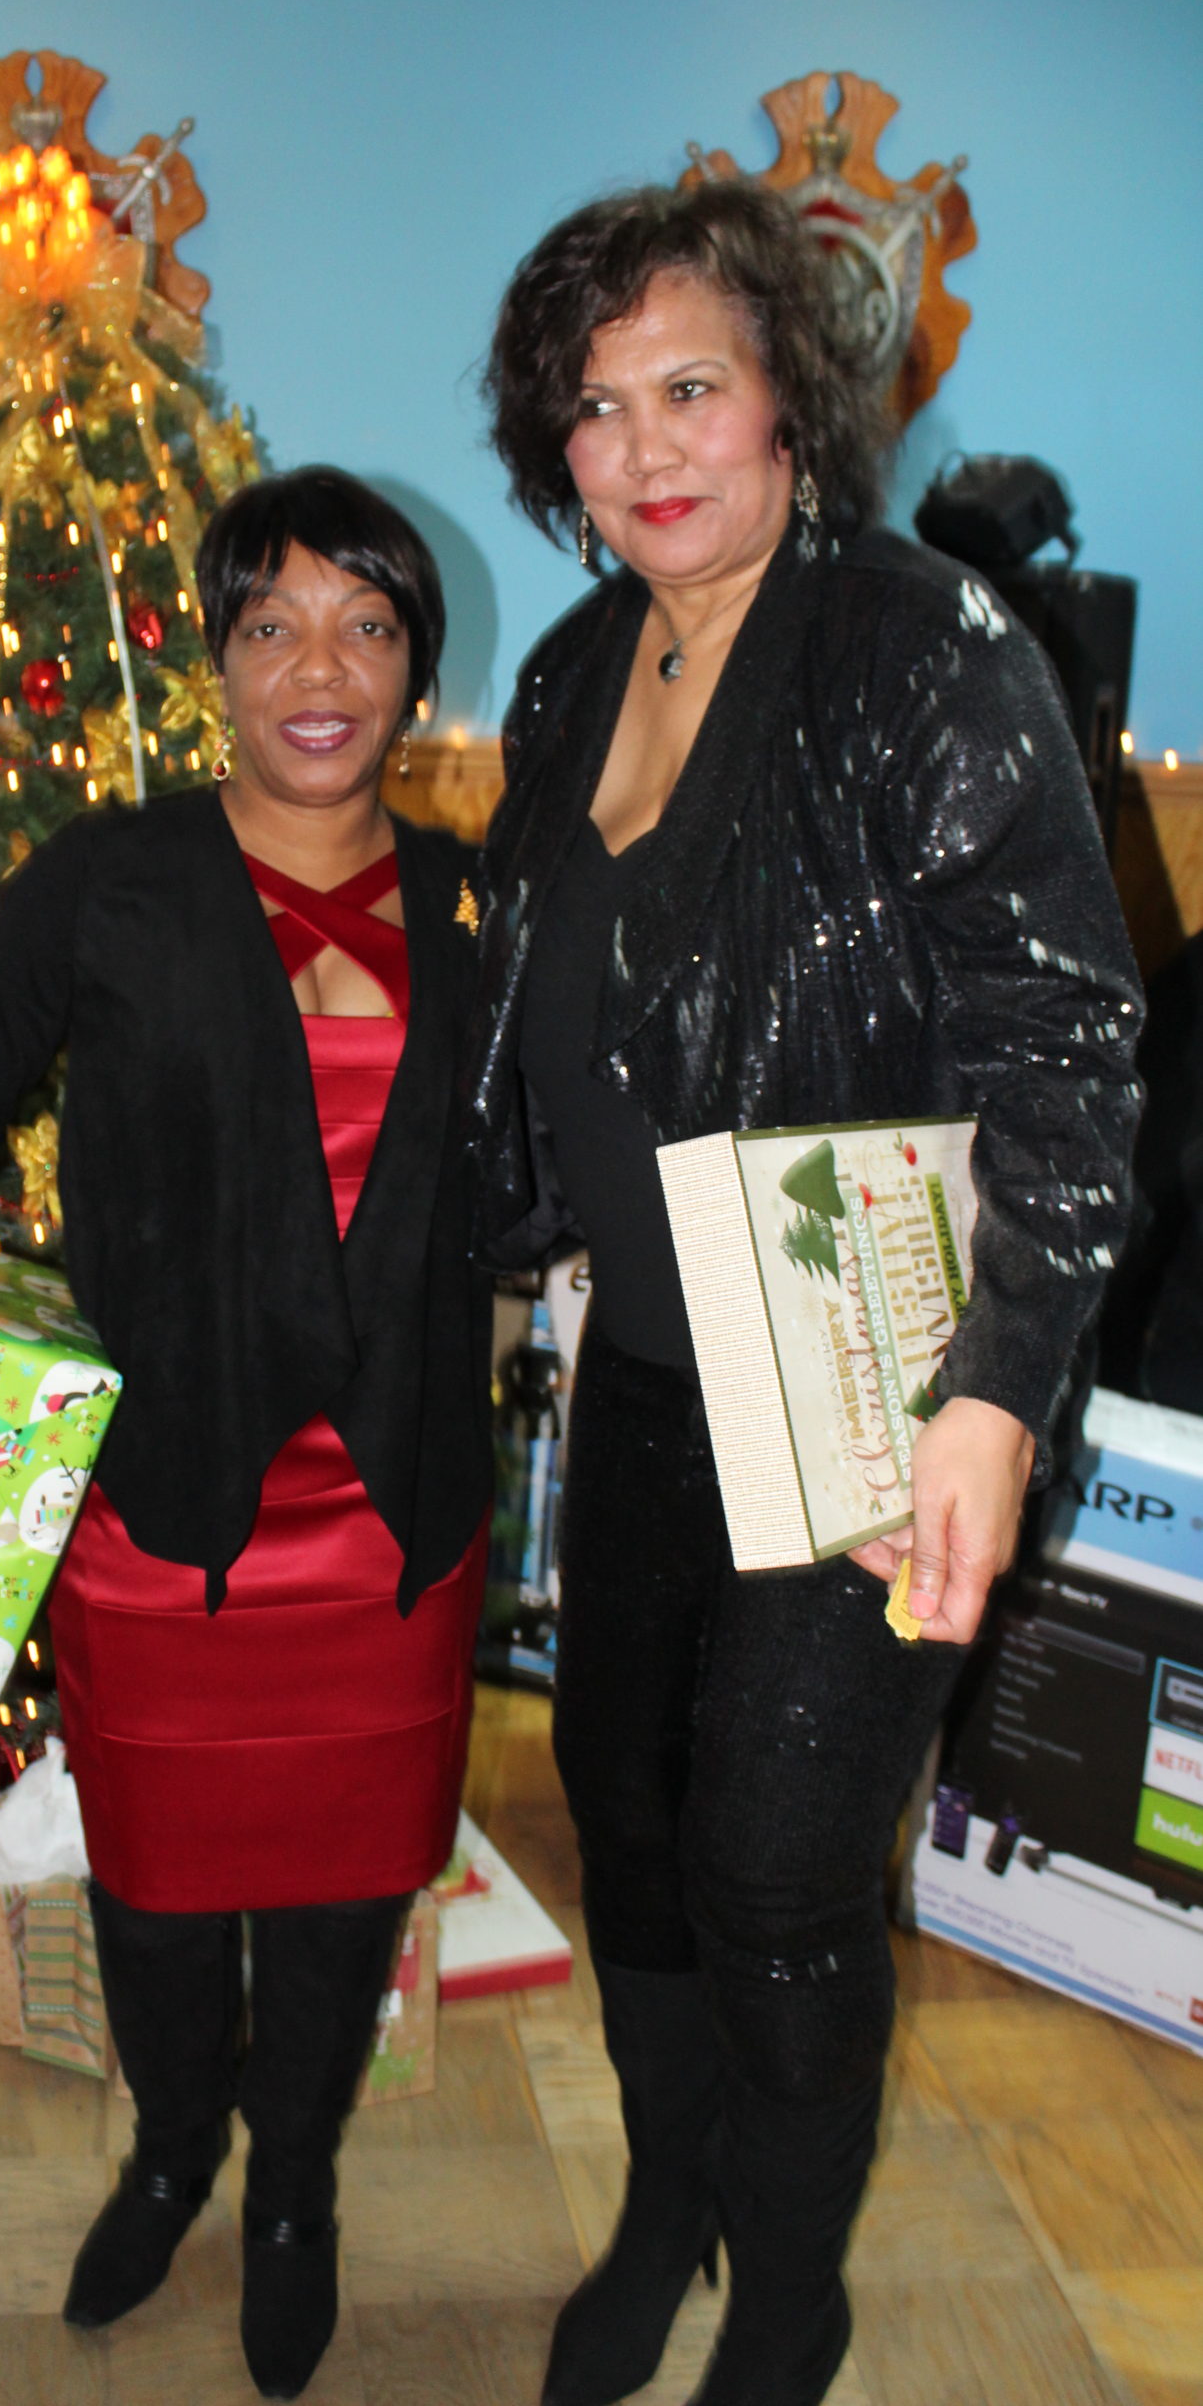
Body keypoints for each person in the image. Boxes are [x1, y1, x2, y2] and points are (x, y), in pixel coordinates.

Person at [471, 180, 1142, 2406]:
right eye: (596, 408)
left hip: (877, 1384)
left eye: (692, 386)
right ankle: (666, 2197)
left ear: (788, 404)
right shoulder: (571, 673)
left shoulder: (921, 649)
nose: (645, 446)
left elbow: (1065, 1052)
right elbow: (547, 1017)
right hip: (652, 1367)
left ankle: (787, 2286)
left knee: (776, 1867)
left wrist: (993, 1398)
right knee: (626, 1809)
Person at [0, 466, 491, 2403]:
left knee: (341, 1894)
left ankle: (292, 2187)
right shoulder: (113, 879)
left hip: (390, 1523)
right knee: (158, 1886)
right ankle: (174, 2147)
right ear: (214, 662)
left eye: (364, 627)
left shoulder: (476, 905)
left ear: (414, 666)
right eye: (271, 626)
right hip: (160, 1518)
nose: (317, 670)